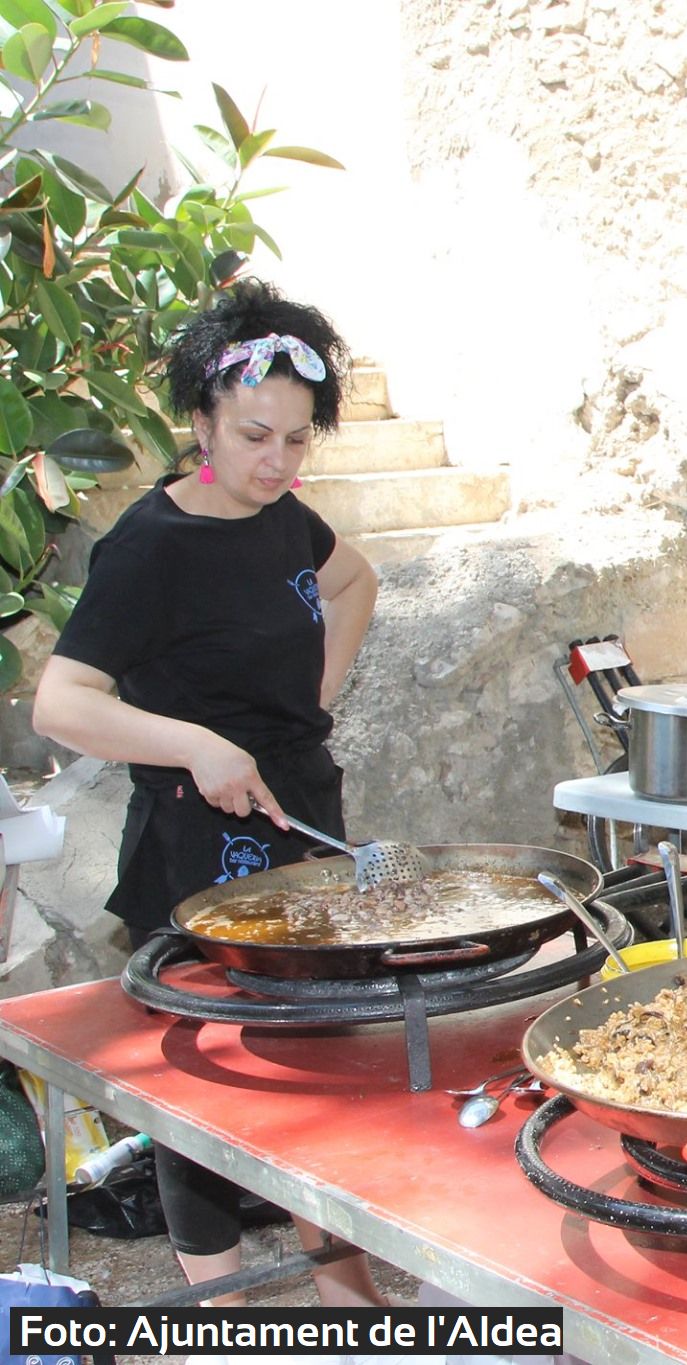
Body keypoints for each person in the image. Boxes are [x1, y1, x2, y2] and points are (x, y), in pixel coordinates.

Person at [32, 281, 385, 1307]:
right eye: (253, 436)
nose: (276, 462)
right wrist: (196, 745)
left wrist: (305, 703)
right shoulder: (149, 547)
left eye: (297, 440)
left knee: (319, 1066)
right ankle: (219, 1315)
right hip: (197, 848)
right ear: (201, 421)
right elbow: (61, 701)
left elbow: (354, 582)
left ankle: (348, 1294)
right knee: (206, 1090)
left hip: (301, 823)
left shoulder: (283, 520)